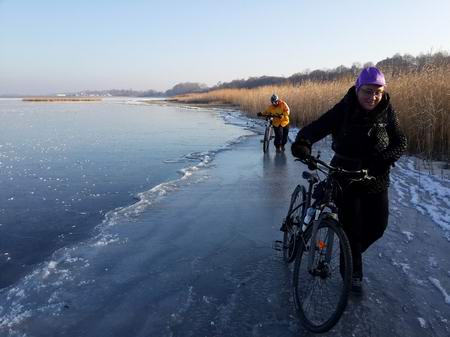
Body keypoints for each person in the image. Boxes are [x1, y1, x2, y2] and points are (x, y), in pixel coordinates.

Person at [291, 67, 407, 293]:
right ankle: (353, 273)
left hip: (376, 177)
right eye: (367, 91)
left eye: (378, 91)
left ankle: (348, 254)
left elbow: (400, 141)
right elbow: (317, 127)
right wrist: (303, 142)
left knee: (377, 228)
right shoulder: (345, 108)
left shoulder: (386, 110)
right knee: (352, 228)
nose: (373, 97)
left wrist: (384, 160)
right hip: (345, 175)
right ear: (357, 89)